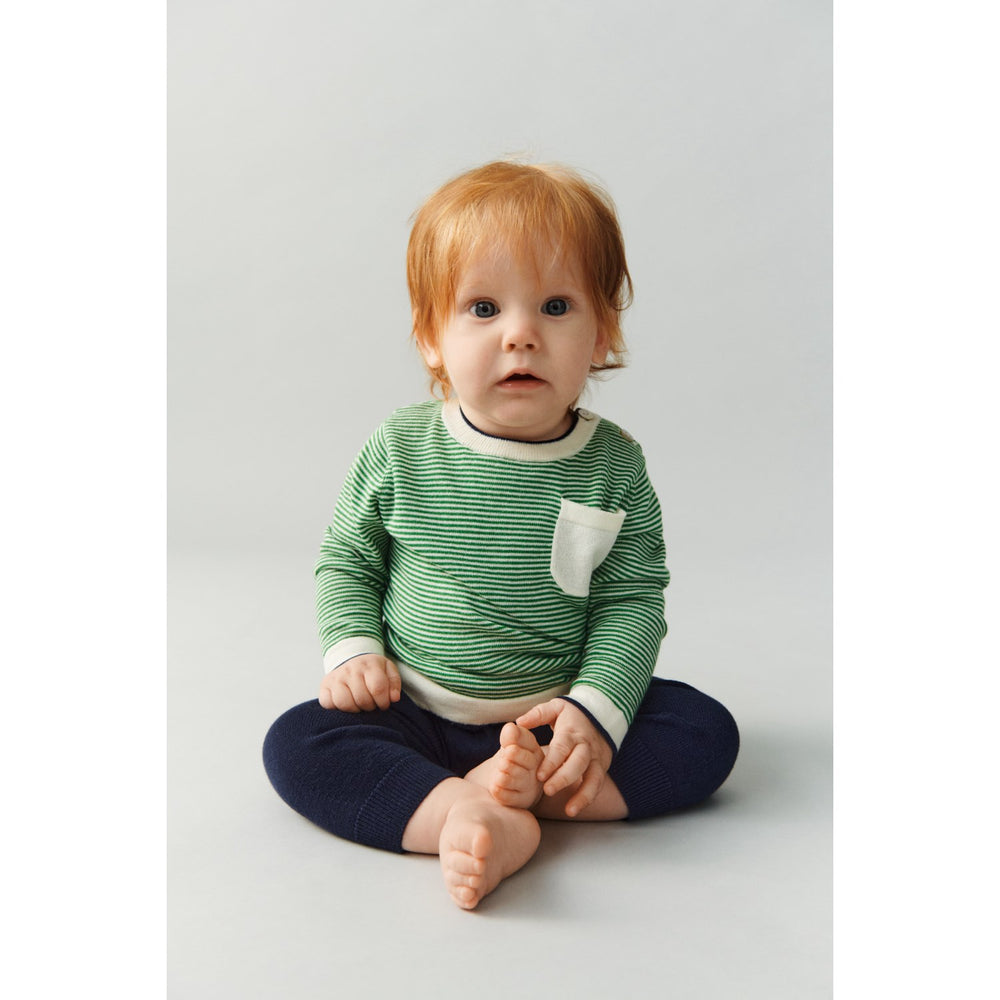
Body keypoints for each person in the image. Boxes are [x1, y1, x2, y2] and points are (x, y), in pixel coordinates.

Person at [263, 160, 739, 910]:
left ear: (602, 332)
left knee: (704, 731)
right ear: (431, 337)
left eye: (556, 306)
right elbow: (348, 561)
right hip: (416, 709)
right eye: (483, 309)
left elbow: (632, 603)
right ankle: (468, 809)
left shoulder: (613, 465)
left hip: (552, 716)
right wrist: (354, 650)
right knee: (299, 743)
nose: (521, 335)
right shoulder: (401, 448)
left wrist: (592, 715)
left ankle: (527, 788)